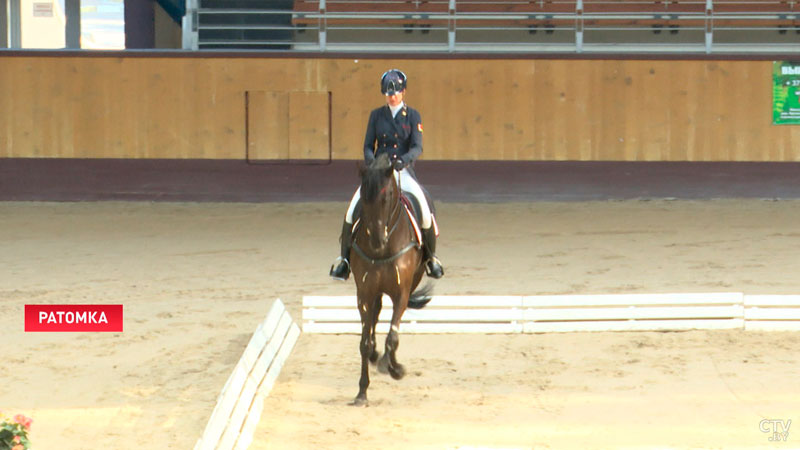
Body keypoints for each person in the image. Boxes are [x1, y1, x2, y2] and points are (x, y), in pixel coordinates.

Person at [329, 69, 444, 281]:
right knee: (351, 209)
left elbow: (417, 147)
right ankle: (344, 261)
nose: (393, 96)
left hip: (402, 170)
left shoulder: (412, 115)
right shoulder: (376, 115)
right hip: (379, 172)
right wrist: (372, 164)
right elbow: (367, 146)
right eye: (389, 93)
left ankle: (430, 258)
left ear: (403, 92)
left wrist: (405, 160)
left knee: (423, 206)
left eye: (396, 92)